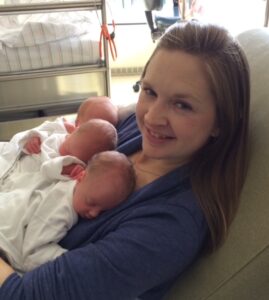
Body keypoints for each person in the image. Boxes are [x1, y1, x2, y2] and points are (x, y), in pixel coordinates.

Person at [0, 20, 250, 300]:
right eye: (150, 91)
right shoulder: (132, 126)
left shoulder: (166, 228)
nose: (152, 118)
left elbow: (21, 295)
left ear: (221, 121)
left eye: (182, 105)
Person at [0, 151, 135, 273]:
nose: (94, 214)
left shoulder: (73, 182)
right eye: (91, 203)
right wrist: (69, 258)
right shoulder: (61, 208)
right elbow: (32, 254)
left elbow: (49, 169)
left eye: (103, 210)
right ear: (81, 176)